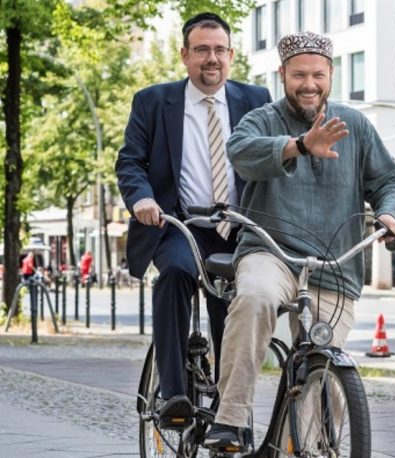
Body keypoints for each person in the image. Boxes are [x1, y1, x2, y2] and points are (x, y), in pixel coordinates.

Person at [204, 31, 395, 450]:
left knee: (325, 375)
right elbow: (240, 153)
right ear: (283, 74)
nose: (309, 84)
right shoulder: (262, 119)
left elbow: (390, 181)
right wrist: (299, 145)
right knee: (255, 298)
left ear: (331, 74)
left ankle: (300, 447)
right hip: (271, 252)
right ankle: (230, 419)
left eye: (318, 74)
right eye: (299, 75)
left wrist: (390, 213)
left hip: (334, 265)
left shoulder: (355, 125)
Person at [115, 12, 272, 427]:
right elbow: (130, 162)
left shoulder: (257, 100)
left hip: (238, 230)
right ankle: (174, 394)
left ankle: (230, 412)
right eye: (202, 50)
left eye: (219, 50)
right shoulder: (153, 101)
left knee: (235, 306)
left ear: (231, 55)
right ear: (185, 55)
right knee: (176, 274)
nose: (211, 58)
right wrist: (142, 198)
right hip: (178, 226)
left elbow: (274, 156)